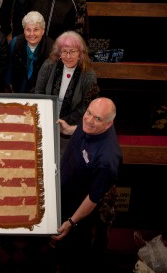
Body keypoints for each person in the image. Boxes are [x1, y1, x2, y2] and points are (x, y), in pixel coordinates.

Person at [52, 97, 122, 273]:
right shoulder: (91, 124)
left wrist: (70, 222)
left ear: (108, 124)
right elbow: (86, 127)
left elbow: (92, 198)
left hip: (79, 211)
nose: (89, 120)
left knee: (75, 254)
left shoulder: (107, 158)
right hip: (65, 192)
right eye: (88, 112)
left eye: (97, 118)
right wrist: (69, 130)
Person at [35, 31, 99, 155]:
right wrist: (48, 118)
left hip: (71, 128)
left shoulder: (89, 75)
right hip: (47, 121)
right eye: (64, 51)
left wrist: (64, 122)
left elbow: (87, 106)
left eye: (72, 51)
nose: (68, 56)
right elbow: (39, 93)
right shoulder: (49, 65)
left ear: (80, 53)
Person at [6, 11, 52, 94]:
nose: (31, 34)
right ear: (24, 30)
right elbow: (9, 66)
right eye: (28, 30)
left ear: (43, 31)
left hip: (40, 93)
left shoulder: (51, 48)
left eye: (36, 30)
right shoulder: (15, 42)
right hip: (19, 90)